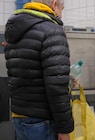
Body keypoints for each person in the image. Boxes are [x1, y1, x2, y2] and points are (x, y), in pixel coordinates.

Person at [4, 0, 74, 140]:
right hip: (42, 122)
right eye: (62, 9)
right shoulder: (52, 30)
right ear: (54, 4)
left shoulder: (15, 29)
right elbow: (56, 86)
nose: (61, 15)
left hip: (19, 117)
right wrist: (64, 128)